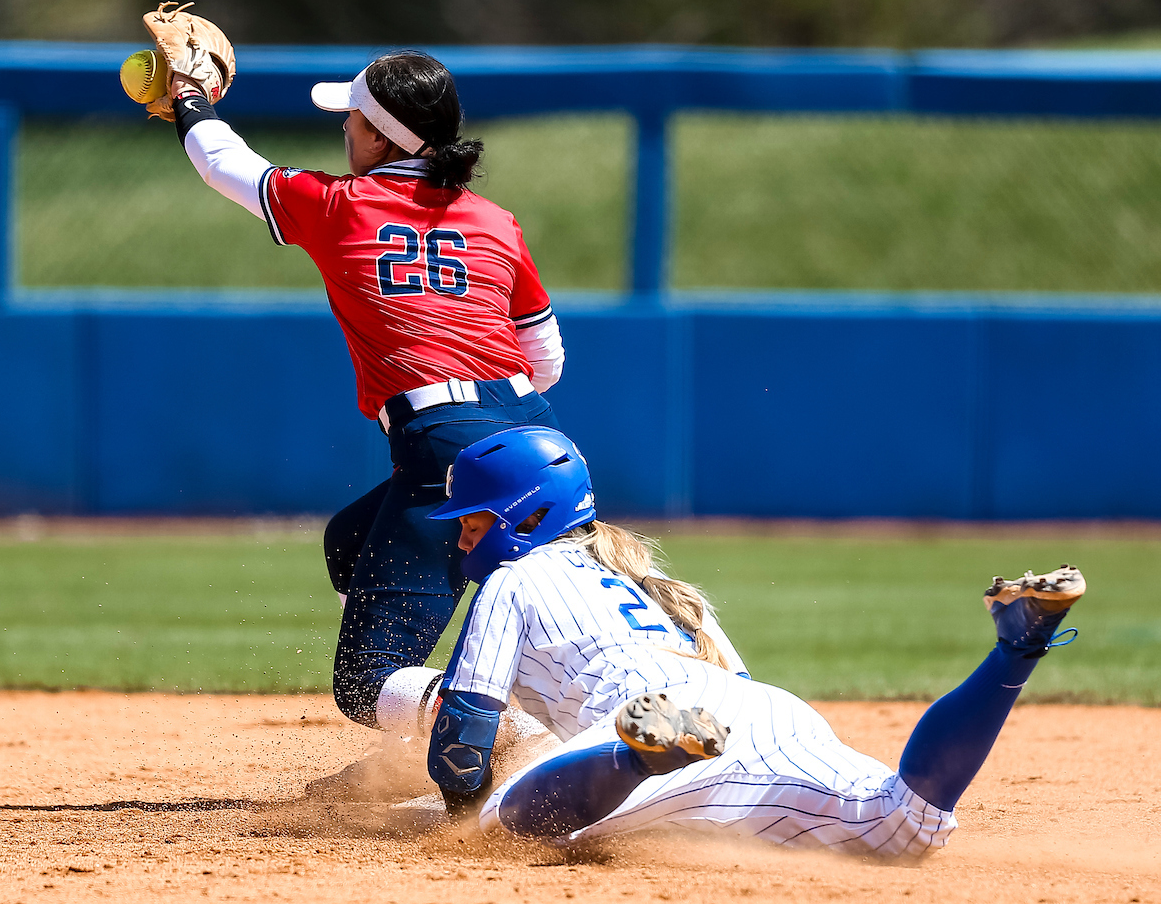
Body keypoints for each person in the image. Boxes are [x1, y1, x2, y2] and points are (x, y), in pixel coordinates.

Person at [159, 47, 564, 754]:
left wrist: (190, 99)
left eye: (351, 118)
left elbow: (225, 165)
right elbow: (547, 360)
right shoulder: (496, 220)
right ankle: (433, 741)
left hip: (442, 439)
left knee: (362, 682)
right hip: (541, 438)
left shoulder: (342, 204)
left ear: (379, 137)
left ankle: (516, 739)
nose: (345, 130)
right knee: (350, 543)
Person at [422, 426, 1086, 855]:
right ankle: (1016, 650)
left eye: (473, 523)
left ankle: (638, 758)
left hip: (647, 719)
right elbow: (729, 689)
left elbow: (463, 738)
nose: (461, 540)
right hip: (763, 714)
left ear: (525, 517)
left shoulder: (513, 580)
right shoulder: (650, 577)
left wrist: (459, 811)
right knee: (905, 825)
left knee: (507, 822)